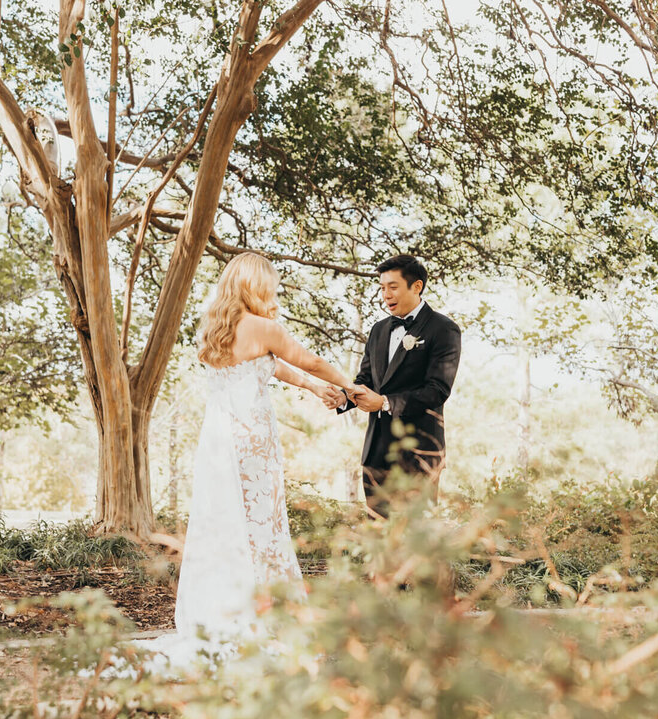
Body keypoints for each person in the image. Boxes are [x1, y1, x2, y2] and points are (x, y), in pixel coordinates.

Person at [144, 252, 357, 669]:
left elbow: (270, 369)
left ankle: (220, 617)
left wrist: (315, 390)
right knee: (263, 528)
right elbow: (307, 360)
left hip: (217, 443)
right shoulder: (264, 327)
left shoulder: (216, 329)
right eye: (270, 285)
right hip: (251, 443)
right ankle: (268, 621)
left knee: (223, 527)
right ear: (257, 286)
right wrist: (349, 384)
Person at [324, 255, 461, 517]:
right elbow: (366, 380)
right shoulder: (378, 330)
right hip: (376, 452)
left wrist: (385, 403)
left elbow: (438, 390)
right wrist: (344, 398)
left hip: (418, 454)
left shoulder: (444, 329)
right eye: (382, 288)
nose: (385, 294)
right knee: (377, 535)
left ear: (417, 286)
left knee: (414, 541)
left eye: (393, 287)